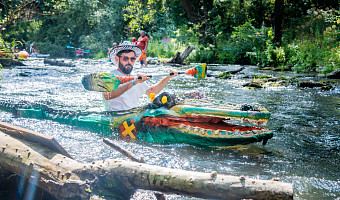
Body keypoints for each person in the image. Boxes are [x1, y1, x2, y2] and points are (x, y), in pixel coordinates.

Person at [103, 41, 178, 111]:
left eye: (132, 59)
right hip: (116, 118)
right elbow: (108, 95)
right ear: (117, 59)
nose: (129, 62)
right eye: (125, 58)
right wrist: (134, 82)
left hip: (133, 117)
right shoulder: (109, 76)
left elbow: (152, 91)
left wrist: (168, 77)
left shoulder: (136, 78)